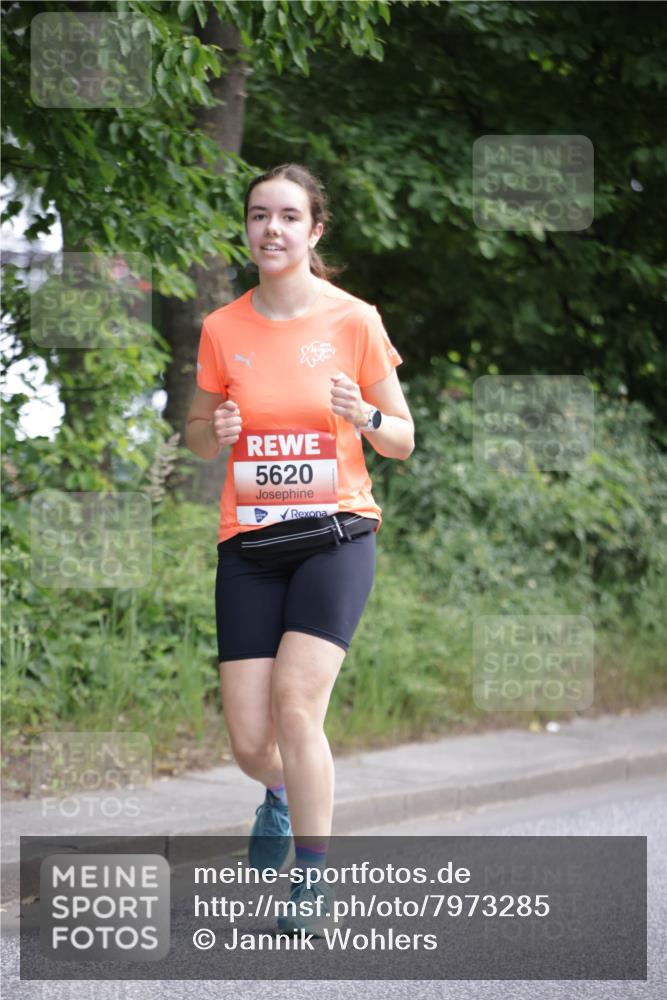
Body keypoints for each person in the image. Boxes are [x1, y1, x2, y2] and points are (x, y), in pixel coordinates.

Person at [185, 163, 414, 936]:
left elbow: (403, 440)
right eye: (258, 216)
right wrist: (208, 433)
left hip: (335, 535)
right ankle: (279, 795)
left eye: (287, 217)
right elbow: (192, 432)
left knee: (295, 708)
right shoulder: (222, 329)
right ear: (247, 228)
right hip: (248, 545)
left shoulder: (353, 320)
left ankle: (310, 885)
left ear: (314, 231)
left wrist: (366, 417)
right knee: (253, 744)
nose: (270, 230)